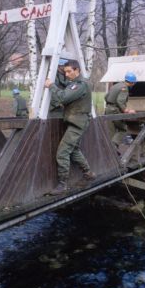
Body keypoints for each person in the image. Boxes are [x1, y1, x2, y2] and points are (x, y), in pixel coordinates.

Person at [45, 60, 95, 194]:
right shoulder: (75, 84)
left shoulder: (80, 85)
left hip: (77, 124)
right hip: (77, 122)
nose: (66, 74)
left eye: (69, 71)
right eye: (65, 71)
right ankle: (88, 173)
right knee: (74, 150)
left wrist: (51, 85)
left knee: (62, 152)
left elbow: (63, 97)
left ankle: (62, 184)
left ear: (77, 70)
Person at [105, 72, 137, 151]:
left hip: (108, 110)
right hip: (115, 111)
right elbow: (120, 101)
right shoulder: (124, 88)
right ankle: (114, 146)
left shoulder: (116, 85)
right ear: (132, 82)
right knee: (123, 129)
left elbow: (106, 97)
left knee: (111, 132)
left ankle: (110, 151)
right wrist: (127, 110)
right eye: (134, 83)